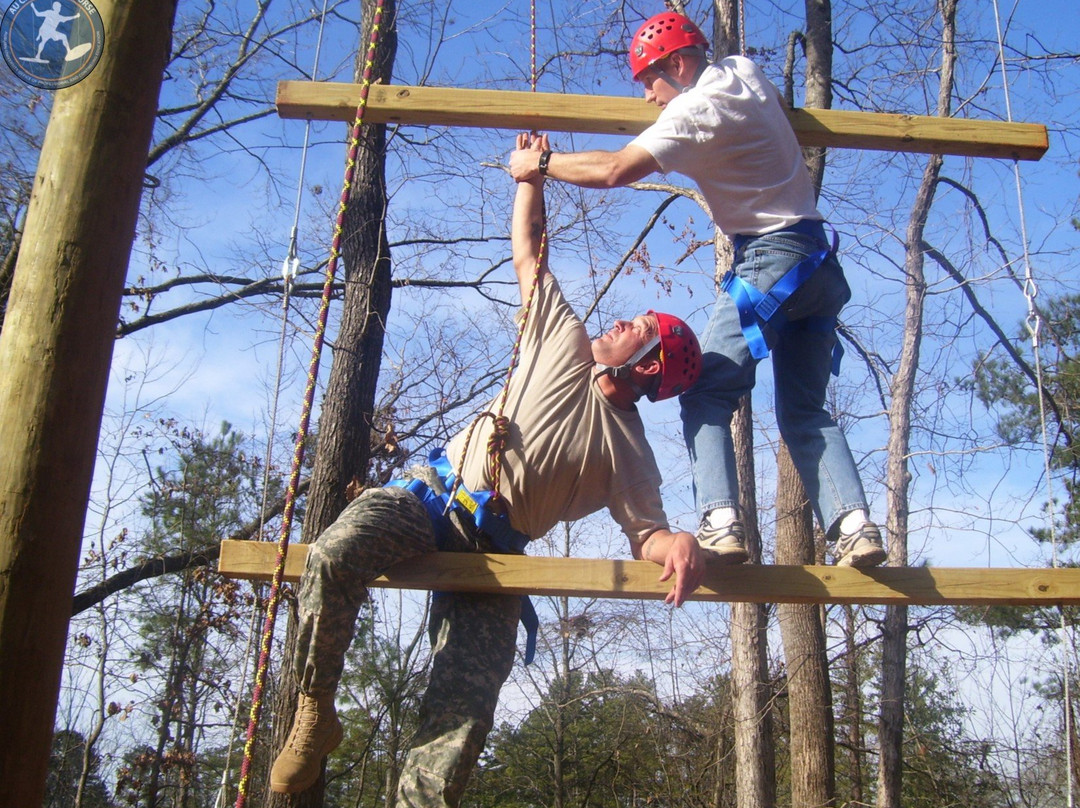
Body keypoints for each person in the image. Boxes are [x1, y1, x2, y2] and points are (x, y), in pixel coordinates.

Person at [269, 132, 708, 802]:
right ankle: (314, 710)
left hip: (499, 558)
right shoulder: (560, 339)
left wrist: (673, 541)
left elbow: (645, 533)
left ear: (646, 365)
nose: (618, 321)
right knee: (334, 554)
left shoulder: (631, 455)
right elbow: (530, 253)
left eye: (635, 327)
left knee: (461, 718)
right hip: (431, 501)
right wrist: (529, 177)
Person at [508, 11, 886, 569]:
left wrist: (537, 163)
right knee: (805, 410)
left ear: (679, 65)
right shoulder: (743, 71)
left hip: (771, 259)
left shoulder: (695, 109)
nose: (646, 98)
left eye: (648, 81)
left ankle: (721, 521)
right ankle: (855, 526)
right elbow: (781, 112)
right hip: (820, 264)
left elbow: (614, 168)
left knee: (707, 387)